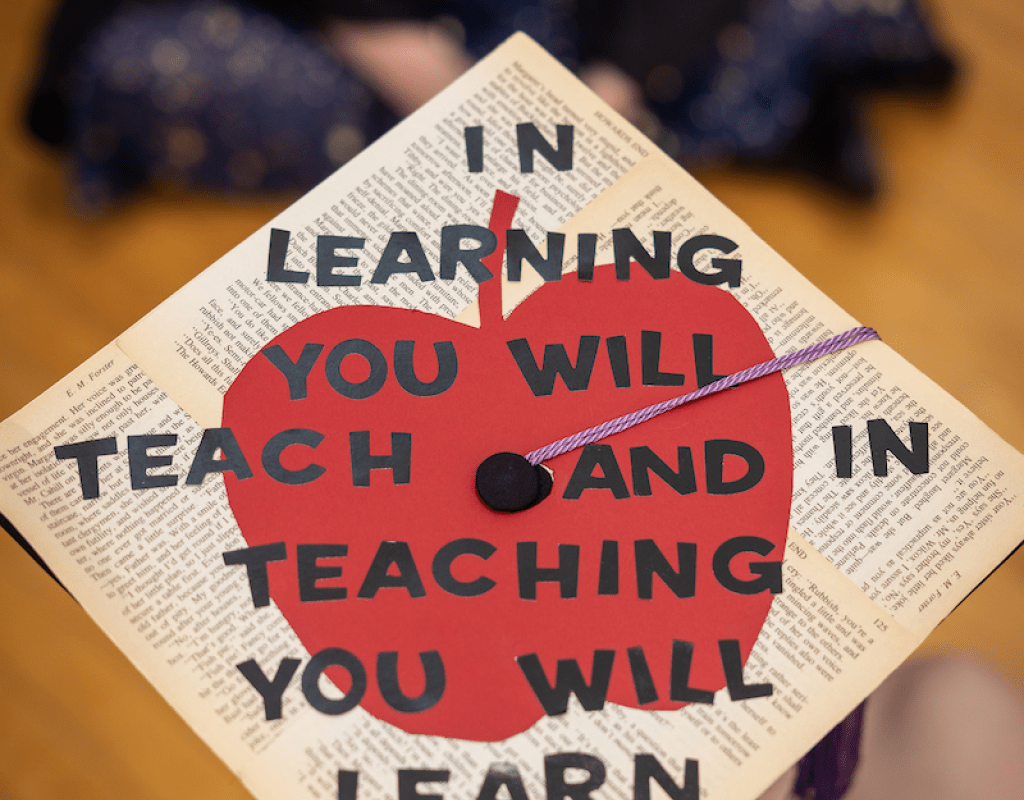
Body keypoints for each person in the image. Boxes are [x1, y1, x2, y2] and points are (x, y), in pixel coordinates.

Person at [26, 0, 956, 210]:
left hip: (540, 15)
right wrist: (368, 28)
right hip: (316, 26)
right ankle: (756, 111)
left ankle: (736, 105)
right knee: (150, 69)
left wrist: (619, 83)